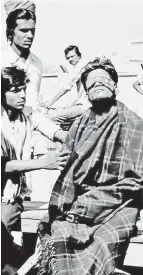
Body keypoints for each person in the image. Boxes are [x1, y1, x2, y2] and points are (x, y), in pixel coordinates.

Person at [37, 57, 143, 275]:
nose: (98, 83)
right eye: (91, 82)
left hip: (118, 204)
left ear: (115, 86)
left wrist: (87, 206)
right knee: (59, 234)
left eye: (104, 79)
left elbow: (133, 183)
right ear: (86, 92)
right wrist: (73, 206)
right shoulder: (79, 124)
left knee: (102, 241)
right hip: (77, 203)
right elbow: (67, 171)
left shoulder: (134, 124)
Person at [1, 66, 68, 271]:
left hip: (9, 195)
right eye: (16, 90)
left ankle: (15, 259)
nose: (22, 95)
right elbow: (3, 165)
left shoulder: (29, 115)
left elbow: (56, 132)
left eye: (23, 89)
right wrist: (43, 163)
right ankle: (15, 257)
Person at [2, 3, 42, 110]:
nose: (30, 36)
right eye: (24, 30)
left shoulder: (37, 63)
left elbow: (34, 100)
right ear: (11, 32)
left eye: (32, 31)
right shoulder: (2, 60)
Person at [40, 45, 91, 128]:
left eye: (72, 56)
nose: (70, 59)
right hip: (85, 105)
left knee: (51, 117)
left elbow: (67, 87)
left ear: (79, 55)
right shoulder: (83, 66)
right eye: (68, 58)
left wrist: (50, 102)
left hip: (85, 106)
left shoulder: (81, 67)